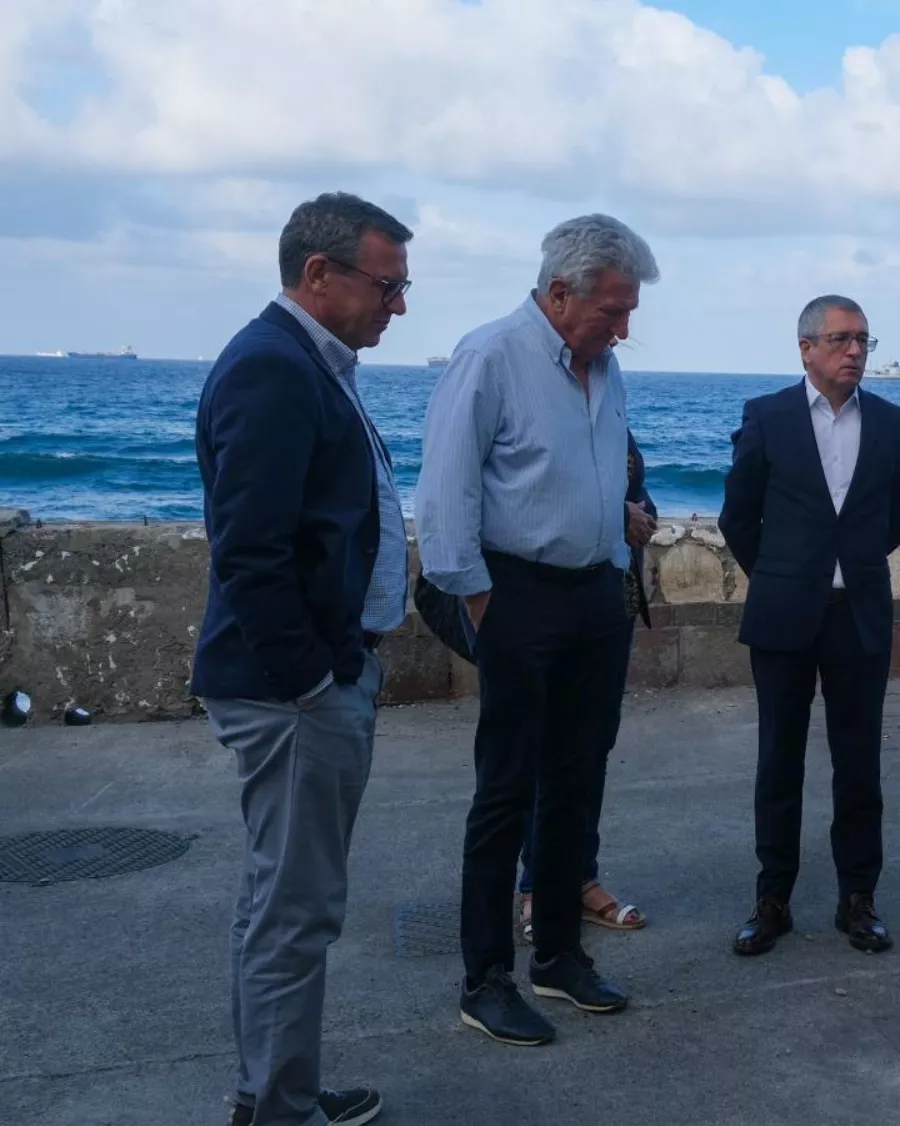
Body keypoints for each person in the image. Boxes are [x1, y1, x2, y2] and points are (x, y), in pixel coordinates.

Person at [415, 214, 660, 1047]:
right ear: (561, 293)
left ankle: (557, 957)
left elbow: (572, 470)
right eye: (614, 310)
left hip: (596, 596)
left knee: (577, 783)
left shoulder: (605, 367)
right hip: (516, 597)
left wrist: (616, 517)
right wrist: (488, 611)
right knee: (506, 792)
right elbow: (444, 502)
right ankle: (485, 979)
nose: (626, 328)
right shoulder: (490, 357)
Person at [195, 191, 412, 1126]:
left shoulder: (308, 362)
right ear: (318, 275)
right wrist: (314, 679)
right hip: (293, 694)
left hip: (312, 678)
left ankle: (275, 1088)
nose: (397, 308)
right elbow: (249, 549)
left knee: (281, 902)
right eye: (387, 286)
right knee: (296, 911)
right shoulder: (273, 370)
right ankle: (277, 1110)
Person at [719, 295, 900, 958]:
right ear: (805, 347)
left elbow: (894, 518)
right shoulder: (769, 417)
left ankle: (858, 899)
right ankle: (772, 899)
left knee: (858, 765)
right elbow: (737, 518)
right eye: (840, 339)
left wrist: (844, 570)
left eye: (862, 339)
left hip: (857, 615)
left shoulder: (893, 424)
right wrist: (782, 574)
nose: (855, 352)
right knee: (779, 760)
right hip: (783, 616)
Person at [516, 429, 657, 942]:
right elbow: (535, 499)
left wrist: (642, 515)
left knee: (591, 751)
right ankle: (537, 886)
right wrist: (619, 516)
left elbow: (636, 493)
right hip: (554, 612)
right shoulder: (545, 413)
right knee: (543, 752)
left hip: (611, 609)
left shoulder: (615, 423)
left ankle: (580, 876)